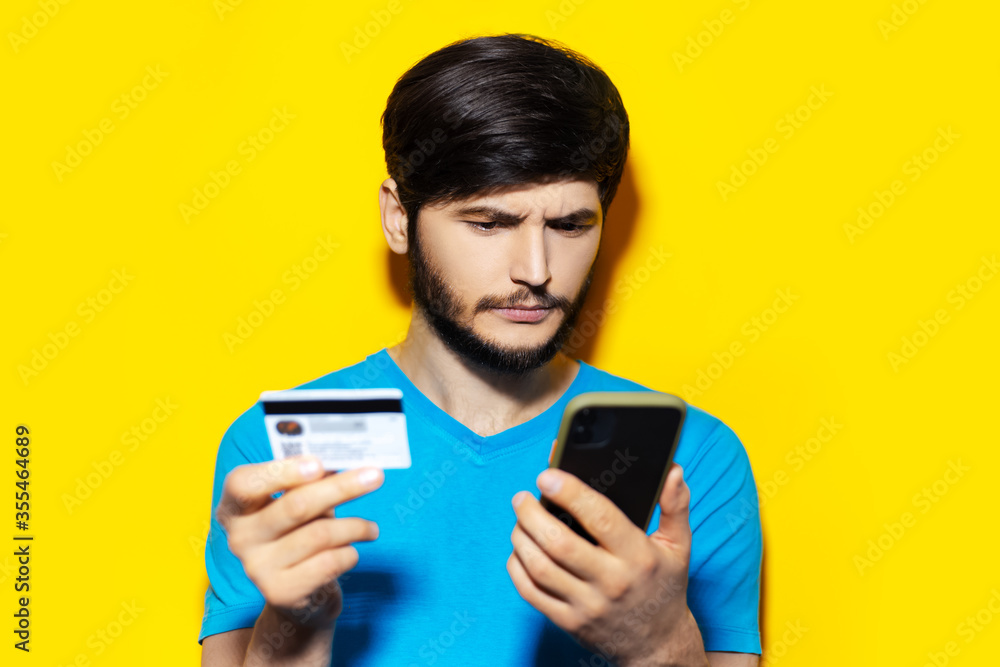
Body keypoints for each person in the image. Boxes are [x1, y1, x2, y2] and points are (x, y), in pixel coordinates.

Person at [199, 33, 762, 666]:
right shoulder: (282, 448)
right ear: (397, 219)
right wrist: (297, 621)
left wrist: (660, 644)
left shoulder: (692, 455)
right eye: (489, 224)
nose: (536, 270)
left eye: (570, 225)